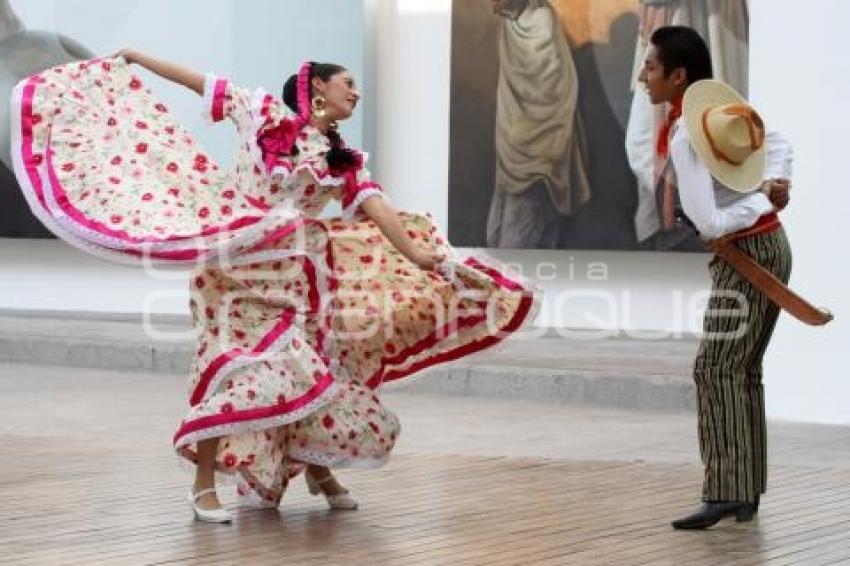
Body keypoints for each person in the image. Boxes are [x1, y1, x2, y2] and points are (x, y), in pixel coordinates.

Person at [10, 51, 539, 523]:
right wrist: (138, 60)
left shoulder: (342, 158)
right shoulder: (264, 115)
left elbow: (378, 210)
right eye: (347, 83)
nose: (355, 92)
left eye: (357, 86)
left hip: (300, 278)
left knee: (319, 370)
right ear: (316, 88)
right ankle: (202, 485)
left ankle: (318, 470)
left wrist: (423, 256)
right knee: (241, 371)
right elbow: (203, 83)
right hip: (236, 270)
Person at [638, 26, 792, 529]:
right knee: (740, 369)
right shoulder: (715, 116)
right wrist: (771, 187)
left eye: (651, 67)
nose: (643, 76)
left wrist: (758, 198)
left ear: (678, 76)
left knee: (716, 368)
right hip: (771, 246)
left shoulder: (687, 133)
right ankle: (743, 491)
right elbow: (780, 141)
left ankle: (727, 491)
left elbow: (710, 223)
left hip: (746, 252)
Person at [626, 0, 749, 250]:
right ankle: (680, 221)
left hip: (707, 19)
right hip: (673, 19)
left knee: (703, 134)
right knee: (644, 145)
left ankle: (694, 224)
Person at [486, 0, 591, 249]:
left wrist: (523, 144)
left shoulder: (540, 22)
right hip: (512, 161)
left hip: (538, 163)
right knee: (498, 240)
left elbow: (548, 98)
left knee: (516, 250)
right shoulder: (512, 24)